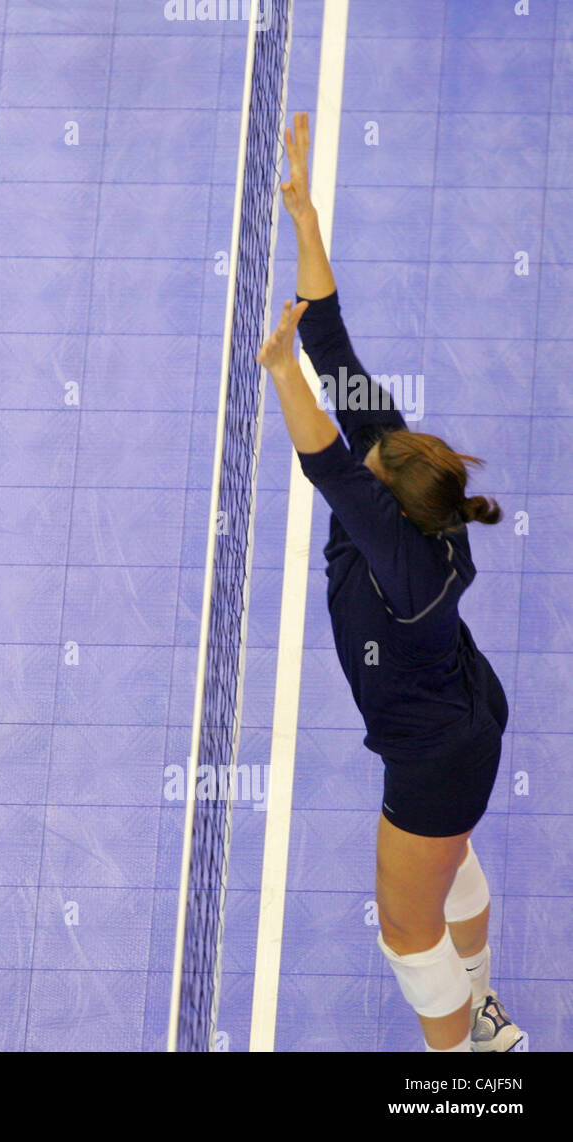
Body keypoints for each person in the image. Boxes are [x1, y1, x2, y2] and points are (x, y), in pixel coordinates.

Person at [256, 113, 524, 1052]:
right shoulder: (409, 474)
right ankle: (484, 1017)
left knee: (409, 930)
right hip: (463, 721)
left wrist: (278, 372)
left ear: (396, 503)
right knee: (449, 878)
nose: (370, 459)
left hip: (437, 751)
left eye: (375, 472)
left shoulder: (404, 564)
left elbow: (324, 460)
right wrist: (302, 213)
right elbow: (336, 346)